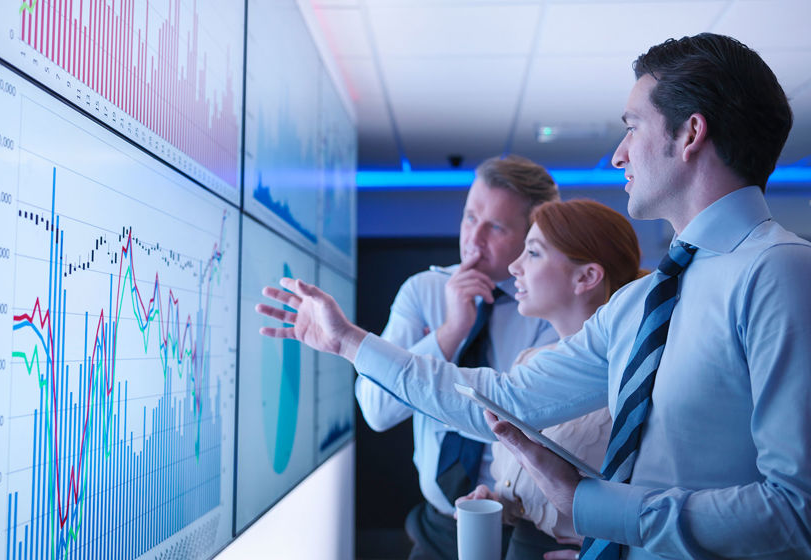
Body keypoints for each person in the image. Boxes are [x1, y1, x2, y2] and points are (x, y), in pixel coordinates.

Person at [257, 33, 811, 559]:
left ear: (690, 134)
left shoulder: (780, 271)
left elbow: (796, 513)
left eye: (633, 126)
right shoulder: (643, 301)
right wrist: (350, 342)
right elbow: (504, 399)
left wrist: (599, 512)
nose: (618, 155)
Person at [355, 155, 559, 559]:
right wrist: (449, 333)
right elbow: (377, 411)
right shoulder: (423, 291)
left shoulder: (552, 305)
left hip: (526, 531)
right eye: (469, 217)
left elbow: (535, 424)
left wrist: (435, 392)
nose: (473, 238)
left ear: (533, 233)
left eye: (496, 227)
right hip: (438, 526)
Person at [456, 199, 647, 560]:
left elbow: (651, 506)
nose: (514, 266)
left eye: (533, 253)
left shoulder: (632, 381)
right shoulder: (530, 361)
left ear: (586, 277)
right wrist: (500, 500)